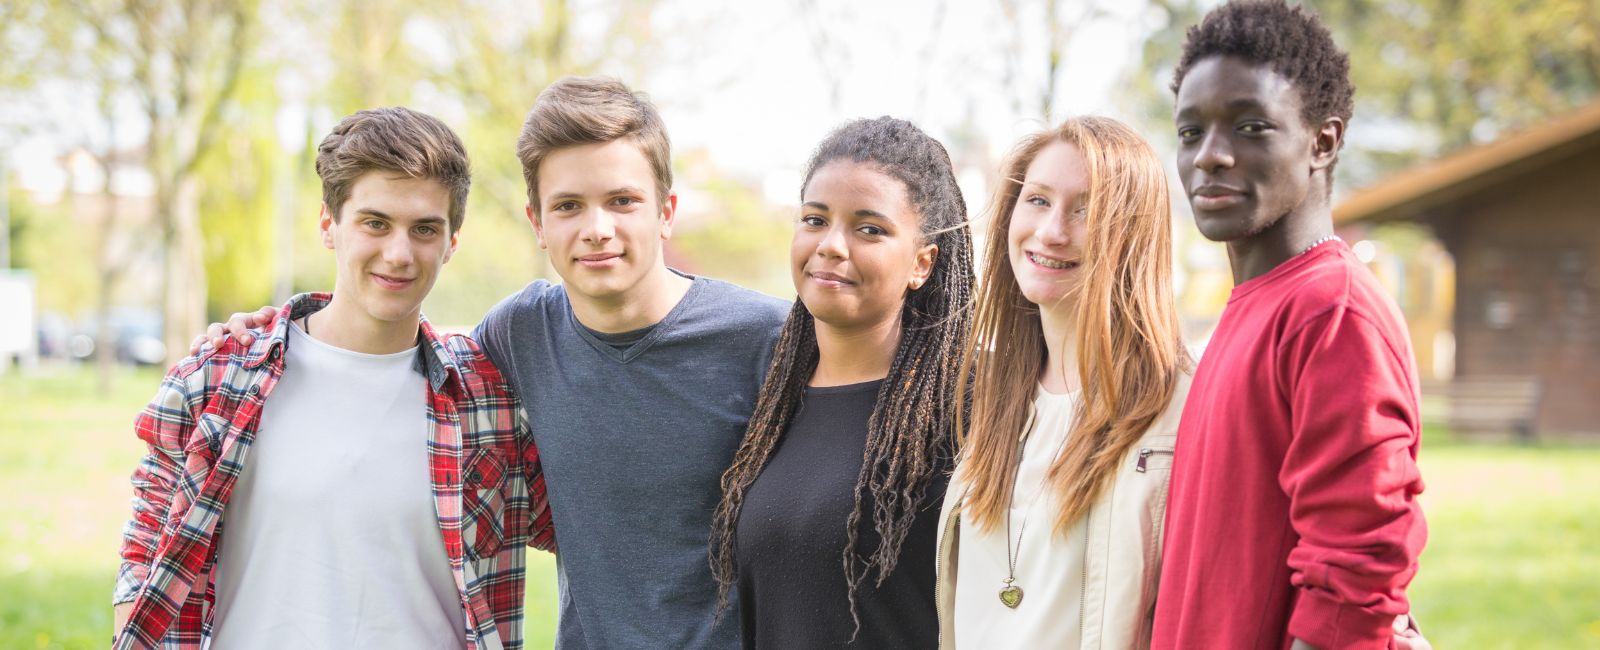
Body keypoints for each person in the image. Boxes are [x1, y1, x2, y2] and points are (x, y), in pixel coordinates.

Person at [197, 77, 790, 648]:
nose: (597, 229)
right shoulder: (521, 333)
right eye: (568, 206)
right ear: (537, 223)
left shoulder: (768, 338)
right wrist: (268, 334)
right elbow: (408, 348)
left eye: (622, 201)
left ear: (666, 211)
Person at [114, 107, 554, 650]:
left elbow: (604, 518)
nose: (398, 254)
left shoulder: (490, 401)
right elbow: (144, 559)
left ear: (451, 243)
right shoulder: (218, 380)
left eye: (424, 229)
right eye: (375, 222)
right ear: (329, 225)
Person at [1152, 2, 1428, 648]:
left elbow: (1354, 578)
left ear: (1323, 141)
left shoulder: (1332, 311)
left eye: (1249, 127)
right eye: (1190, 133)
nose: (1210, 157)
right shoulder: (1253, 306)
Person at [707, 117, 974, 648]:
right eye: (814, 219)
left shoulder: (968, 409)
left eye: (869, 228)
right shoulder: (773, 404)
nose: (831, 245)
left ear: (922, 262)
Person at [934, 116, 1191, 648]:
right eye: (1038, 200)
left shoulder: (1182, 411)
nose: (1052, 231)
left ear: (1133, 236)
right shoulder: (992, 396)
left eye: (1087, 210)